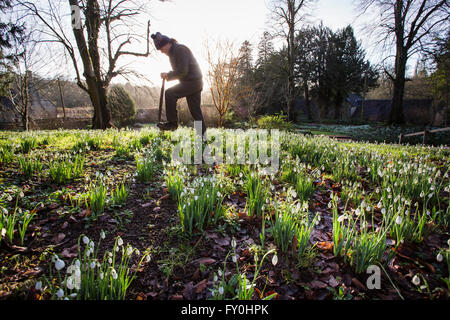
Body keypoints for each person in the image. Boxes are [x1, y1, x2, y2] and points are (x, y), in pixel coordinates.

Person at [151, 32, 206, 136]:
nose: (162, 52)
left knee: (170, 93)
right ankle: (203, 137)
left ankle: (172, 124)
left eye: (162, 49)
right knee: (195, 112)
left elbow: (182, 71)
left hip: (193, 82)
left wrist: (168, 75)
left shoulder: (180, 49)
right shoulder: (172, 53)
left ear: (167, 44)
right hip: (194, 82)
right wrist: (169, 75)